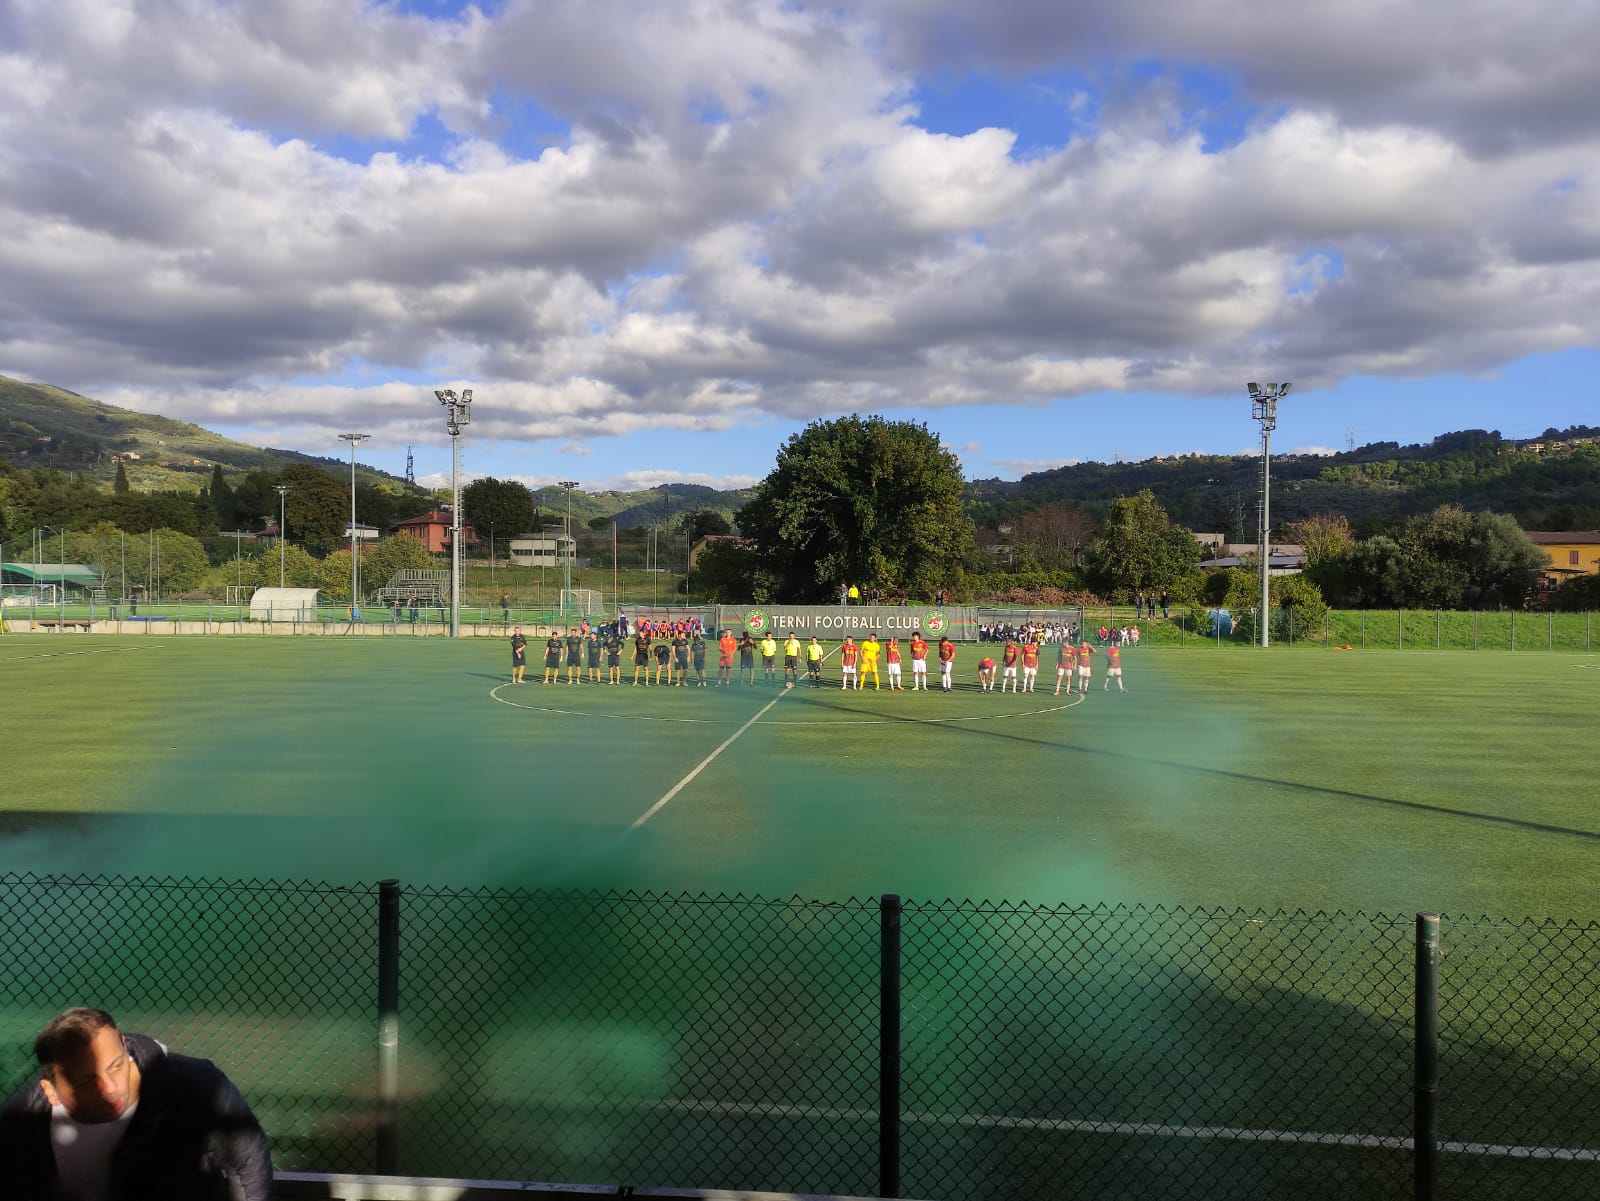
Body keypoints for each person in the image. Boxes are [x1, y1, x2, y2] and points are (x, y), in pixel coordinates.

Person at [0, 1006, 273, 1200]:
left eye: (117, 1065)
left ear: (124, 1044)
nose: (111, 1088)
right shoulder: (23, 1120)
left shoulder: (194, 1088)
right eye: (86, 1082)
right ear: (51, 1091)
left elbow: (247, 1162)